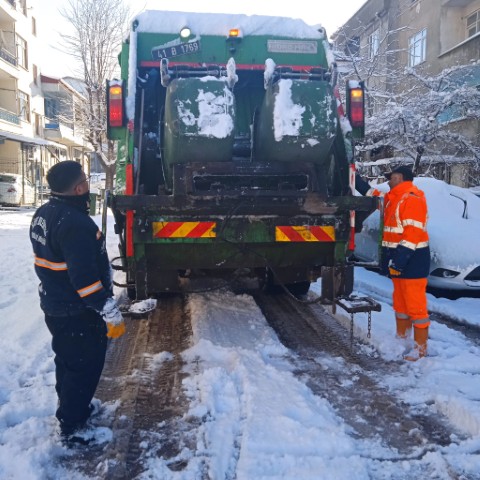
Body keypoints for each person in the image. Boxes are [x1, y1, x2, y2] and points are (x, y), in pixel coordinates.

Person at [30, 161, 125, 444]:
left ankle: (74, 410)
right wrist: (106, 308)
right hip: (76, 311)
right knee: (84, 366)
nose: (88, 185)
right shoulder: (75, 224)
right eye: (85, 180)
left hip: (55, 305)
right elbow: (84, 280)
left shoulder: (43, 214)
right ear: (80, 187)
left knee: (69, 362)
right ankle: (73, 427)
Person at [355, 166, 430, 361]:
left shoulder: (411, 199)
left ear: (400, 177)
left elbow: (412, 235)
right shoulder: (393, 198)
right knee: (401, 302)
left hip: (412, 260)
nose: (388, 180)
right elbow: (373, 194)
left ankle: (420, 349)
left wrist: (399, 261)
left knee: (416, 305)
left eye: (391, 177)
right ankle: (402, 338)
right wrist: (353, 177)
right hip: (400, 258)